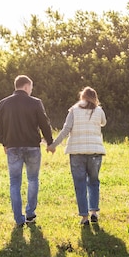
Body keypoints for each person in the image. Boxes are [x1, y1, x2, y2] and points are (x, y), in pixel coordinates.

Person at [0, 75, 54, 227]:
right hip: (32, 147)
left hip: (13, 147)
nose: (31, 90)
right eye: (31, 87)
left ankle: (18, 219)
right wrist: (49, 142)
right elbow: (44, 123)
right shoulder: (36, 103)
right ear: (27, 86)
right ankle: (30, 213)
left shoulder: (3, 103)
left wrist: (4, 142)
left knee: (15, 182)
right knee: (33, 179)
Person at [47, 87, 106, 225]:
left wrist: (53, 145)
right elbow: (103, 122)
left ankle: (84, 217)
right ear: (94, 97)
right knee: (93, 181)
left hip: (76, 152)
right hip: (95, 152)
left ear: (82, 97)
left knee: (80, 184)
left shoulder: (73, 110)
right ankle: (94, 212)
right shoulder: (99, 110)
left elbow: (66, 130)